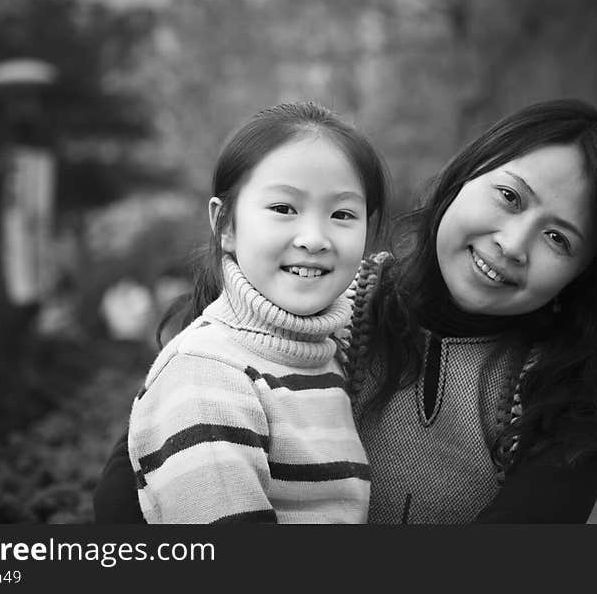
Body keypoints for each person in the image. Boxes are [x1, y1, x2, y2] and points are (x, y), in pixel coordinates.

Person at [95, 99, 597, 524]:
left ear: (585, 273)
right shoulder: (315, 306)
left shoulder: (571, 394)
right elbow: (139, 480)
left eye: (559, 239)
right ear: (463, 178)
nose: (513, 242)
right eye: (510, 197)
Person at [106, 101, 387, 523]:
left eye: (342, 214)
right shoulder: (208, 373)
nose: (314, 238)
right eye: (283, 209)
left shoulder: (332, 353)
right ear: (227, 226)